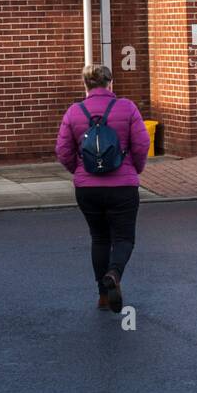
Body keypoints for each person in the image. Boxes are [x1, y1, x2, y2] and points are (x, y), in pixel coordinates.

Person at [55, 64, 151, 313]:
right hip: (123, 186)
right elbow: (141, 144)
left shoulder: (74, 112)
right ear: (110, 84)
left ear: (85, 86)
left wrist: (78, 172)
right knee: (124, 238)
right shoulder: (127, 108)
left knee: (99, 238)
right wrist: (135, 169)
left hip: (88, 189)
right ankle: (114, 274)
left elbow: (63, 151)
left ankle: (103, 296)